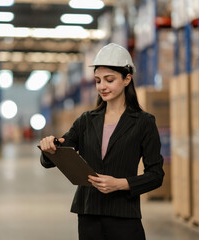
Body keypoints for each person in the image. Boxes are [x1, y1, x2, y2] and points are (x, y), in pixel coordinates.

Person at [39, 43, 164, 240]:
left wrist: (120, 184)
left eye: (109, 80)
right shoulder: (86, 121)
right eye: (98, 81)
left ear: (127, 79)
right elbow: (57, 153)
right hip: (89, 214)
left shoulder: (144, 123)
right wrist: (49, 146)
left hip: (124, 215)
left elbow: (156, 175)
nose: (102, 86)